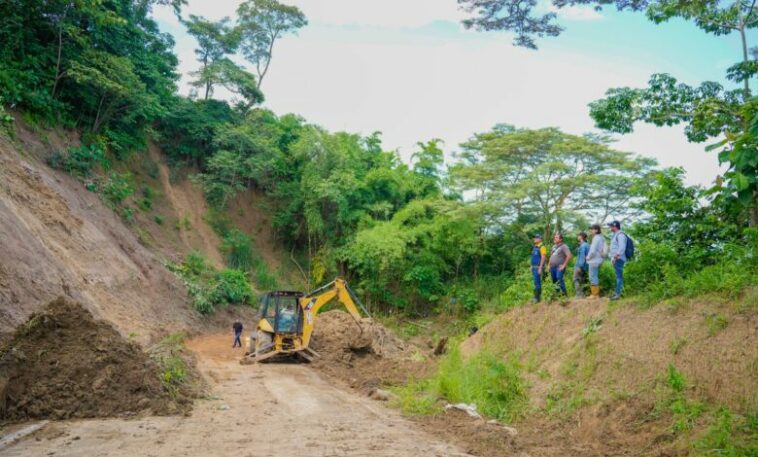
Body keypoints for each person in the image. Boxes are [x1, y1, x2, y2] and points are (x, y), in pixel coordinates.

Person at [608, 220, 628, 300]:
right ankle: (617, 293)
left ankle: (618, 294)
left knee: (619, 277)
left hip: (619, 259)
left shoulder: (620, 235)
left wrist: (615, 257)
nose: (610, 228)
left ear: (615, 226)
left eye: (611, 226)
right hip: (616, 258)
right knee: (618, 276)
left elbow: (622, 247)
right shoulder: (616, 235)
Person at [586, 224, 605, 299]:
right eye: (590, 229)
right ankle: (595, 294)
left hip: (593, 260)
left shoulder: (596, 238)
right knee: (594, 276)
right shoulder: (600, 238)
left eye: (592, 229)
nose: (591, 230)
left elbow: (593, 251)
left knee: (592, 276)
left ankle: (595, 294)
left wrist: (588, 257)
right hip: (597, 259)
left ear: (596, 230)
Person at [530, 234, 547, 303]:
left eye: (536, 238)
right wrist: (531, 266)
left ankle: (537, 298)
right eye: (534, 238)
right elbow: (533, 257)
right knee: (535, 282)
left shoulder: (542, 247)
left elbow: (543, 257)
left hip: (538, 267)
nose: (535, 239)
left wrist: (540, 267)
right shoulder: (535, 247)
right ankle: (535, 297)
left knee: (537, 282)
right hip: (534, 267)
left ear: (540, 239)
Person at [573, 231, 590, 298]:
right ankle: (583, 294)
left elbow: (582, 256)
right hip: (586, 266)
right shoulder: (587, 245)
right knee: (582, 280)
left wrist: (580, 266)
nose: (577, 237)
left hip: (580, 265)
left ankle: (578, 294)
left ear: (581, 237)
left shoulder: (583, 246)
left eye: (578, 235)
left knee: (575, 279)